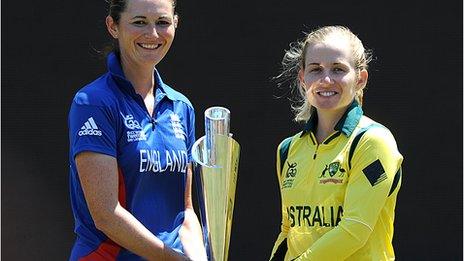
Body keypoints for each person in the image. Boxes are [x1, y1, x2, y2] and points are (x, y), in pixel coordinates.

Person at [67, 0, 207, 260]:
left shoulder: (181, 107)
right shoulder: (93, 102)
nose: (152, 34)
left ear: (175, 24)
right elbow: (106, 215)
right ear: (113, 26)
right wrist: (174, 259)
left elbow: (185, 211)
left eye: (162, 22)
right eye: (139, 22)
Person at [269, 26, 403, 260]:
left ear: (360, 79)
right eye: (315, 70)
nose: (326, 79)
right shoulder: (288, 150)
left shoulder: (372, 141)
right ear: (302, 78)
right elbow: (288, 231)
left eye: (338, 69)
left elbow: (354, 230)